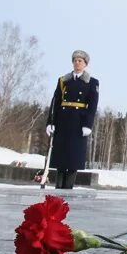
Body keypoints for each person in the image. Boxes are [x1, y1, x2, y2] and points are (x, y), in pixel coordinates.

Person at [45, 50, 99, 189]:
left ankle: (68, 190)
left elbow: (92, 105)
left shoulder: (92, 82)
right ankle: (58, 190)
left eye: (80, 61)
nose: (77, 63)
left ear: (85, 64)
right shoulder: (63, 80)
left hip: (78, 123)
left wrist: (88, 124)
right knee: (61, 158)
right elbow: (56, 102)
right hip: (62, 121)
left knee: (73, 159)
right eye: (75, 60)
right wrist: (51, 122)